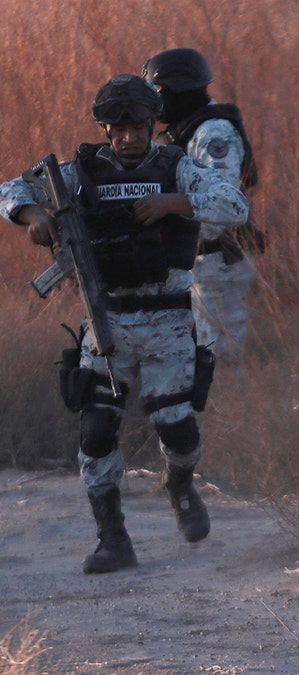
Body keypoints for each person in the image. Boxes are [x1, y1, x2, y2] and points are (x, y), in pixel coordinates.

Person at [0, 74, 248, 573]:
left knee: (176, 429)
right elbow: (10, 188)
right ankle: (112, 538)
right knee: (95, 429)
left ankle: (180, 483)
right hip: (106, 318)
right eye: (117, 128)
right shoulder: (80, 173)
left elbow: (234, 205)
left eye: (137, 127)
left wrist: (174, 203)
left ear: (154, 125)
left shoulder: (178, 167)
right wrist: (33, 216)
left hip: (169, 321)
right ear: (105, 129)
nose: (128, 137)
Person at [142, 47, 261, 363]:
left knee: (218, 360)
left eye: (159, 91)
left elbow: (223, 208)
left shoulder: (212, 132)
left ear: (177, 89)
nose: (156, 101)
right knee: (196, 357)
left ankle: (230, 412)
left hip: (216, 262)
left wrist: (171, 208)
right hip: (199, 263)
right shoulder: (188, 129)